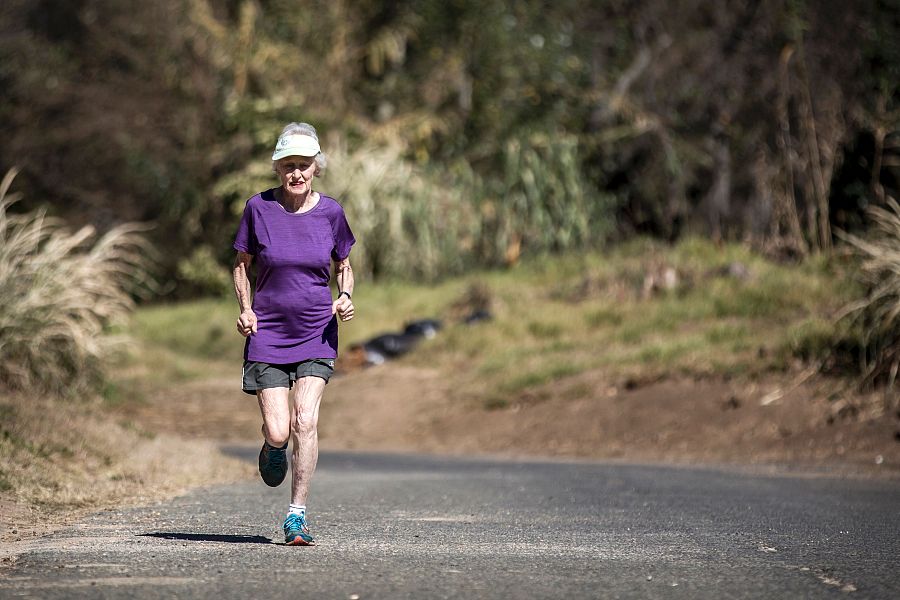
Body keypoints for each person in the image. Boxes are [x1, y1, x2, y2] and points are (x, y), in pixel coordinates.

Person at [232, 122, 355, 546]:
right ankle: (270, 447)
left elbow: (344, 264)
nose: (297, 174)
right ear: (278, 169)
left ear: (316, 168)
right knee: (280, 430)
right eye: (289, 166)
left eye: (304, 165)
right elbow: (240, 264)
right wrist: (245, 310)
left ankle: (296, 516)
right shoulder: (258, 209)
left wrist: (346, 296)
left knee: (307, 419)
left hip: (316, 332)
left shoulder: (331, 213)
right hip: (268, 334)